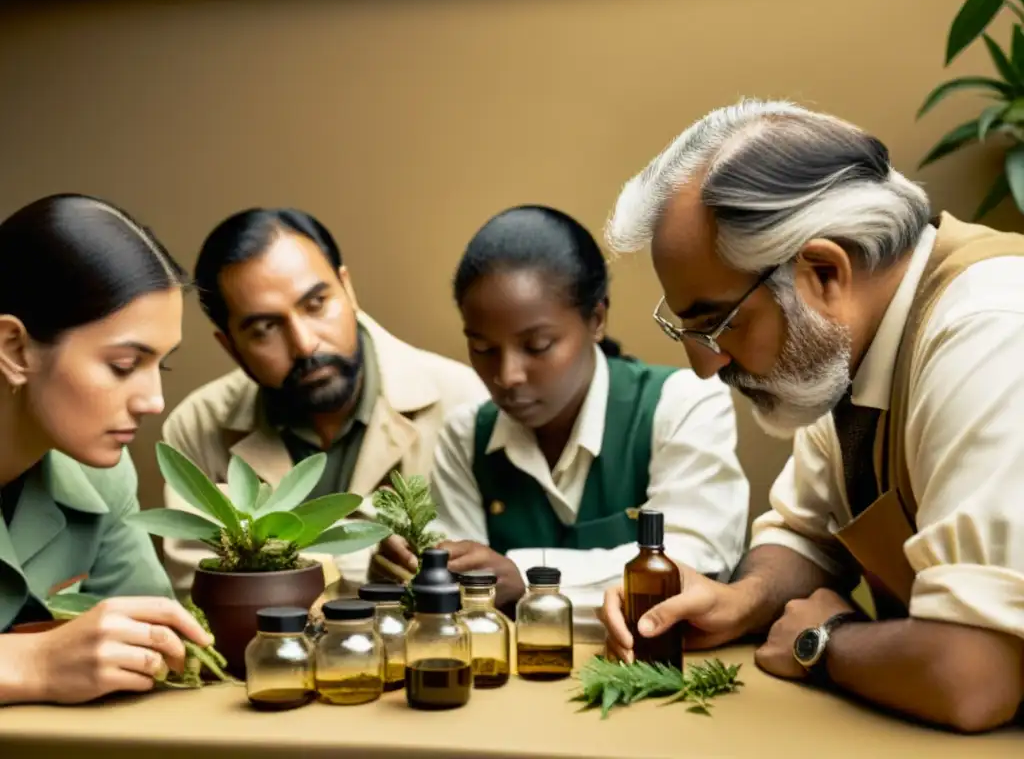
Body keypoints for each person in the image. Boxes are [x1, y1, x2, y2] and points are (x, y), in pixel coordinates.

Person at [596, 99, 1024, 732]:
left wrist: (824, 640)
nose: (704, 365)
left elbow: (975, 677)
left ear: (824, 271)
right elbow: (804, 535)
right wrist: (734, 601)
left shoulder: (992, 333)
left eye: (715, 322)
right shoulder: (852, 343)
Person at [391, 204, 749, 638]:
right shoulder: (466, 435)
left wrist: (524, 578)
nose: (507, 376)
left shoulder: (682, 402)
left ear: (596, 319)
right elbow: (465, 602)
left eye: (538, 345)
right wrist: (415, 571)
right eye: (483, 349)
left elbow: (696, 562)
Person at [160, 207, 488, 591]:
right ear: (230, 346)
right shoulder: (196, 427)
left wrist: (274, 558)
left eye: (316, 304)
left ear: (347, 288)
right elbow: (198, 588)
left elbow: (485, 575)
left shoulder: (462, 399)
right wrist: (364, 555)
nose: (304, 344)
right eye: (265, 328)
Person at [0, 194, 212, 705]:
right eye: (122, 365)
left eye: (158, 366)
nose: (155, 402)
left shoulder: (103, 477)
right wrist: (36, 662)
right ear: (13, 349)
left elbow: (156, 652)